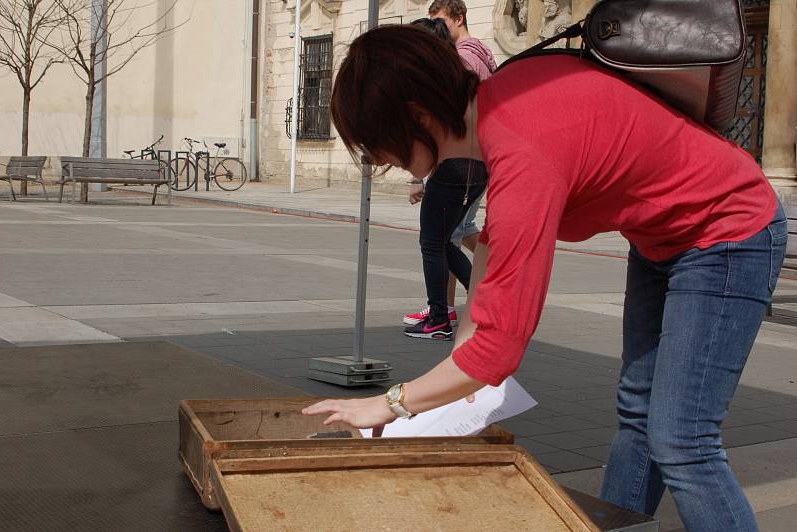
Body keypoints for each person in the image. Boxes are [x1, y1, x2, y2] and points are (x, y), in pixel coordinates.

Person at [303, 26, 786, 531]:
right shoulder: (505, 98)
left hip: (730, 231)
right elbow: (492, 256)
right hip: (663, 237)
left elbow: (497, 352)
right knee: (639, 417)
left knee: (682, 438)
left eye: (379, 145)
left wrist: (388, 404)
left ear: (416, 115)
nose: (382, 160)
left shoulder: (522, 149)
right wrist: (456, 368)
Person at [403, 1, 497, 332]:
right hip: (479, 166)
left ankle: (440, 317)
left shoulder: (456, 66)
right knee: (447, 239)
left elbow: (430, 136)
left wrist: (416, 176)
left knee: (434, 243)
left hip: (456, 166)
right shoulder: (480, 59)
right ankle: (478, 304)